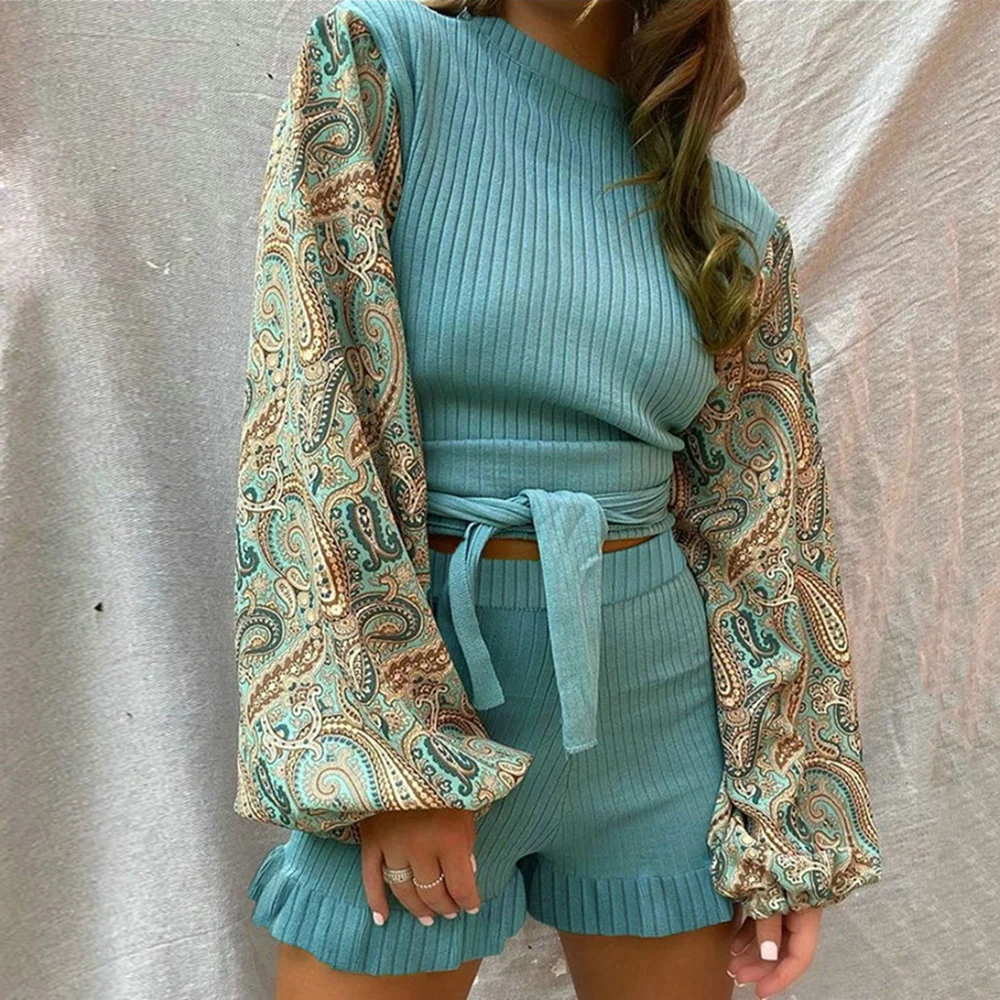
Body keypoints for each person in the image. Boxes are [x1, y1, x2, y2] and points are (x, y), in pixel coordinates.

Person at [232, 0, 883, 997]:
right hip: (427, 709)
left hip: (660, 734)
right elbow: (309, 422)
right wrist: (392, 762)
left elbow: (769, 535)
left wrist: (787, 825)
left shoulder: (725, 219)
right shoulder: (382, 65)